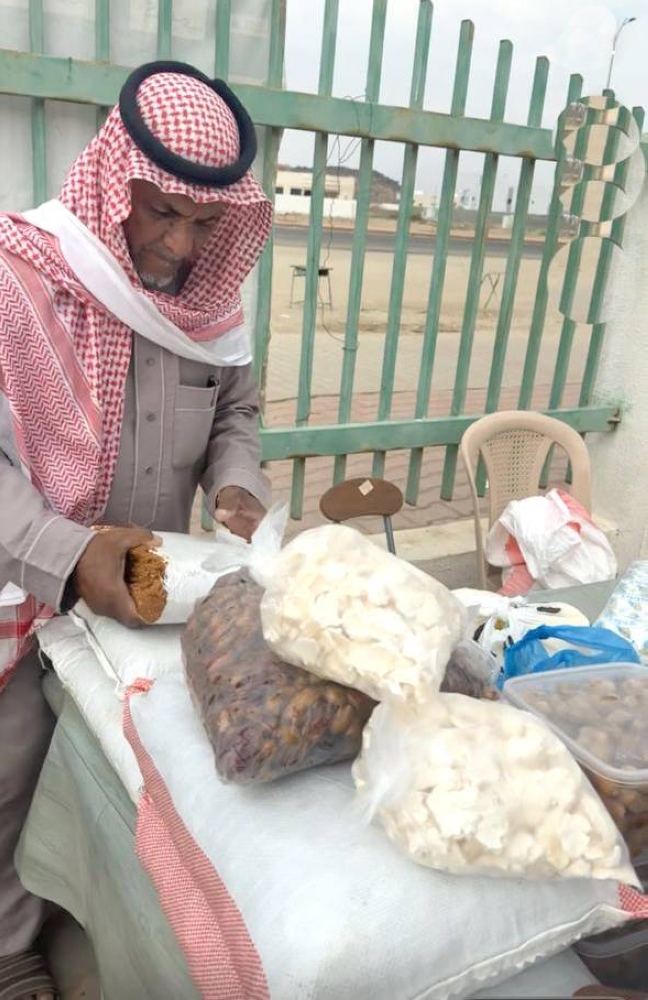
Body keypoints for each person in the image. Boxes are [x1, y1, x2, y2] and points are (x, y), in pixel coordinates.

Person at [0, 61, 272, 999]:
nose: (181, 242)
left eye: (205, 222)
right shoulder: (18, 281)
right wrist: (69, 553)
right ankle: (10, 948)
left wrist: (235, 482)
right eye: (162, 212)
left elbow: (235, 411)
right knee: (14, 770)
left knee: (125, 773)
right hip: (30, 588)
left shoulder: (211, 304)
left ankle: (95, 909)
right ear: (117, 185)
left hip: (148, 598)